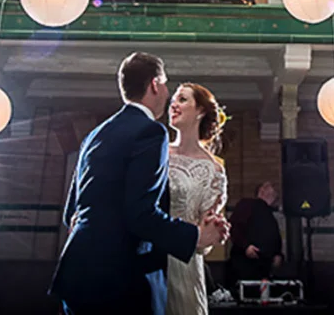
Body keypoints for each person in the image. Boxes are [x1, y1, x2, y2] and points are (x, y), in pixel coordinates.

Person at [50, 52, 228, 315]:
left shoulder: (94, 135)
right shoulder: (150, 132)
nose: (169, 96)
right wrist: (196, 236)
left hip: (77, 275)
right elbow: (139, 214)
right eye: (166, 85)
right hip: (120, 278)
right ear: (155, 84)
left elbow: (71, 214)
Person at [166, 83, 229, 315]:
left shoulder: (213, 170)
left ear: (200, 111)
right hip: (144, 261)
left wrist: (214, 232)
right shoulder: (156, 154)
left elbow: (205, 241)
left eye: (182, 99)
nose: (173, 104)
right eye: (173, 99)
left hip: (183, 266)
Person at [227, 181, 284, 287]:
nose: (275, 191)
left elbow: (274, 236)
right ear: (261, 190)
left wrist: (277, 254)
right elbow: (234, 227)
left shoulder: (269, 215)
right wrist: (246, 246)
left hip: (265, 265)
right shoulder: (247, 205)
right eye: (270, 188)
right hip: (245, 263)